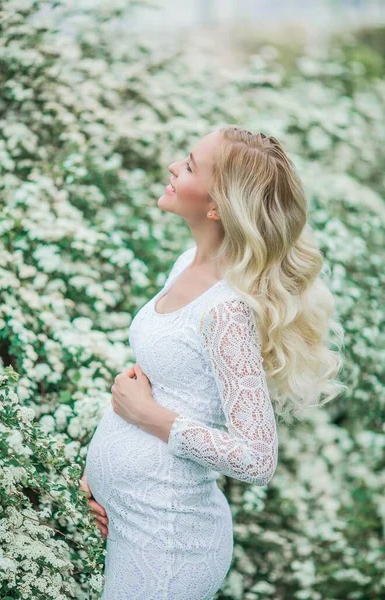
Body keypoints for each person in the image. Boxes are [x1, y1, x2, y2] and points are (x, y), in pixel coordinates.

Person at [82, 126, 345, 599]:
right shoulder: (187, 263)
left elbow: (257, 458)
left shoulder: (226, 312)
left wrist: (147, 415)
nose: (172, 167)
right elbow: (167, 381)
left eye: (188, 165)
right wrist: (101, 476)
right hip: (134, 521)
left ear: (217, 206)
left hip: (170, 547)